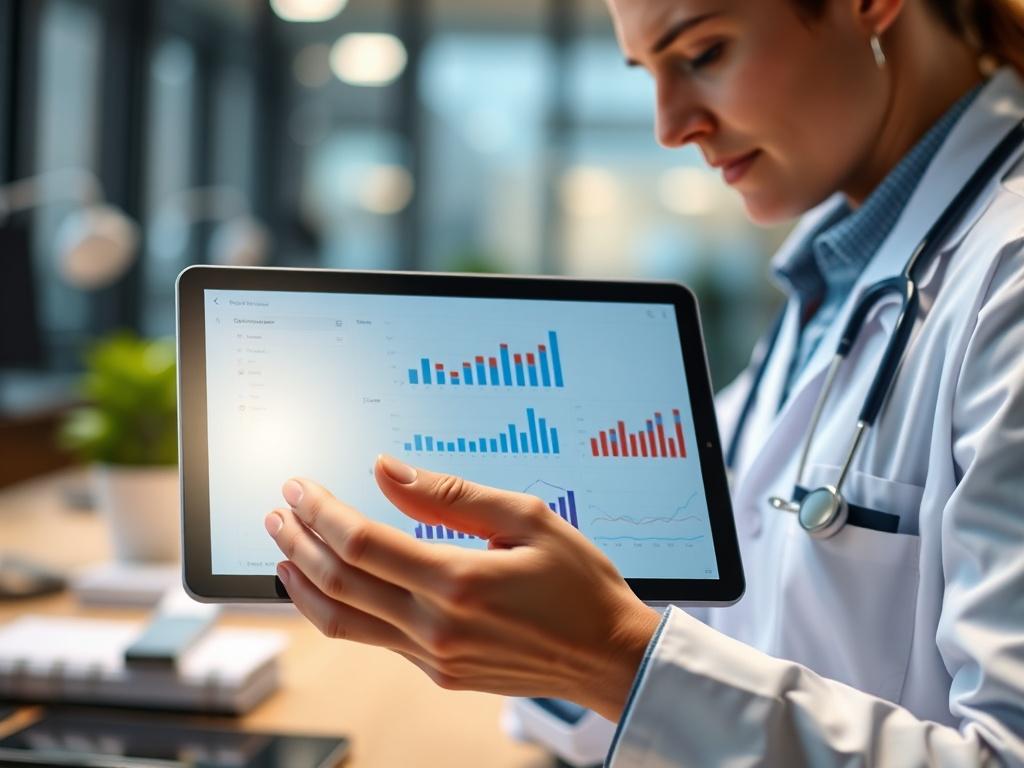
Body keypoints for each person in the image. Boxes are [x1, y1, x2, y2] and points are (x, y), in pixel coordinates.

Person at [262, 0, 1024, 764]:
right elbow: (730, 631)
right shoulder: (843, 274)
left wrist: (614, 658)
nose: (670, 126)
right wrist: (547, 641)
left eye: (701, 54)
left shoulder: (1008, 281)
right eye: (649, 73)